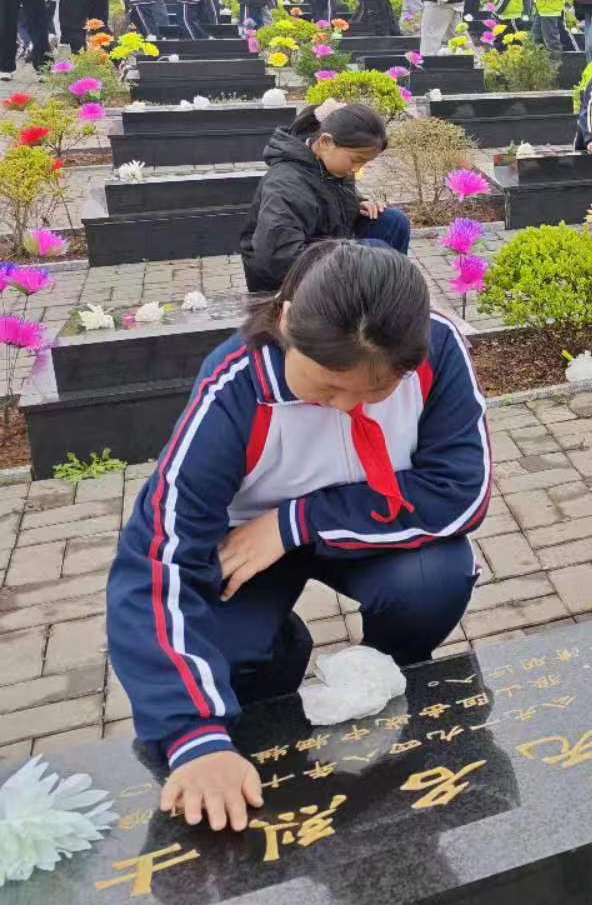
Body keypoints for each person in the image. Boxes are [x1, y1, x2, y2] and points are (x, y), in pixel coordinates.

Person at [106, 239, 489, 831]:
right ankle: (280, 661)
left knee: (434, 580)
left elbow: (459, 490)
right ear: (286, 323)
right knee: (231, 653)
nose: (346, 407)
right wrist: (192, 735)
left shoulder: (435, 346)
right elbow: (156, 561)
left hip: (363, 524)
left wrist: (294, 522)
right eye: (327, 386)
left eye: (375, 392)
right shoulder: (233, 390)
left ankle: (391, 671)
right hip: (245, 544)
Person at [238, 102, 411, 294]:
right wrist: (354, 254)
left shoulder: (329, 166)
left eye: (364, 163)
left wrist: (358, 203)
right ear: (325, 142)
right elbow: (278, 257)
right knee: (375, 250)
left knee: (393, 222)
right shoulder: (285, 185)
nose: (357, 169)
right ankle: (375, 297)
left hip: (325, 253)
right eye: (356, 160)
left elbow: (327, 197)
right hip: (286, 283)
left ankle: (388, 295)